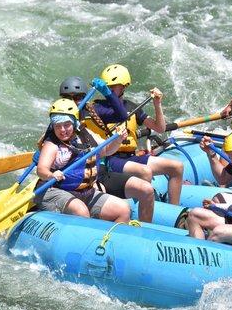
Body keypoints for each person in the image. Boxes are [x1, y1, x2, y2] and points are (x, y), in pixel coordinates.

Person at [58, 76, 155, 222]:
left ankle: (141, 236)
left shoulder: (93, 110)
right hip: (75, 178)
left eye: (77, 97)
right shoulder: (59, 121)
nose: (74, 102)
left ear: (84, 97)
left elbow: (122, 115)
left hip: (100, 170)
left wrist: (108, 93)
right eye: (68, 98)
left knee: (146, 190)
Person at [84, 64, 184, 205]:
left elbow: (160, 128)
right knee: (145, 172)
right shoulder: (98, 108)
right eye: (108, 86)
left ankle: (173, 209)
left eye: (114, 86)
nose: (109, 89)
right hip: (112, 159)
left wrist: (157, 104)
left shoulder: (131, 107)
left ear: (124, 86)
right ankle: (140, 208)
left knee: (177, 167)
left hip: (132, 157)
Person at [34, 98, 131, 222]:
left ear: (74, 123)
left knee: (123, 210)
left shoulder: (85, 135)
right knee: (81, 211)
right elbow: (41, 170)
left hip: (85, 191)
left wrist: (118, 140)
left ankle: (114, 240)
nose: (62, 130)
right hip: (56, 190)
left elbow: (106, 150)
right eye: (58, 126)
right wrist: (51, 175)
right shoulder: (52, 145)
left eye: (66, 124)